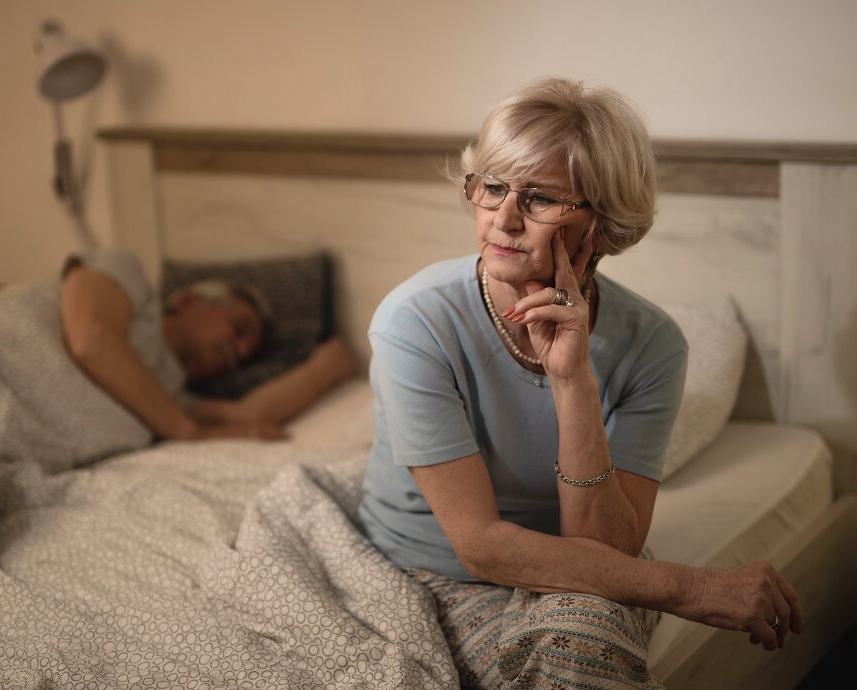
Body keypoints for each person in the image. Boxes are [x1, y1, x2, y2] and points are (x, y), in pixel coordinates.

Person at [358, 78, 802, 689]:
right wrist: (691, 587)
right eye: (492, 187)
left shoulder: (654, 345)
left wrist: (573, 380)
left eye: (539, 198)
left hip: (583, 564)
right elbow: (481, 547)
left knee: (586, 640)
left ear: (605, 223)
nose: (503, 219)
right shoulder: (414, 320)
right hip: (426, 570)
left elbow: (606, 547)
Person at [60, 248, 353, 441]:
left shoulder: (171, 398)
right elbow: (91, 341)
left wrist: (323, 369)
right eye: (239, 329)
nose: (238, 352)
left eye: (243, 360)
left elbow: (247, 416)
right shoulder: (125, 277)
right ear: (189, 300)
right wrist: (185, 430)